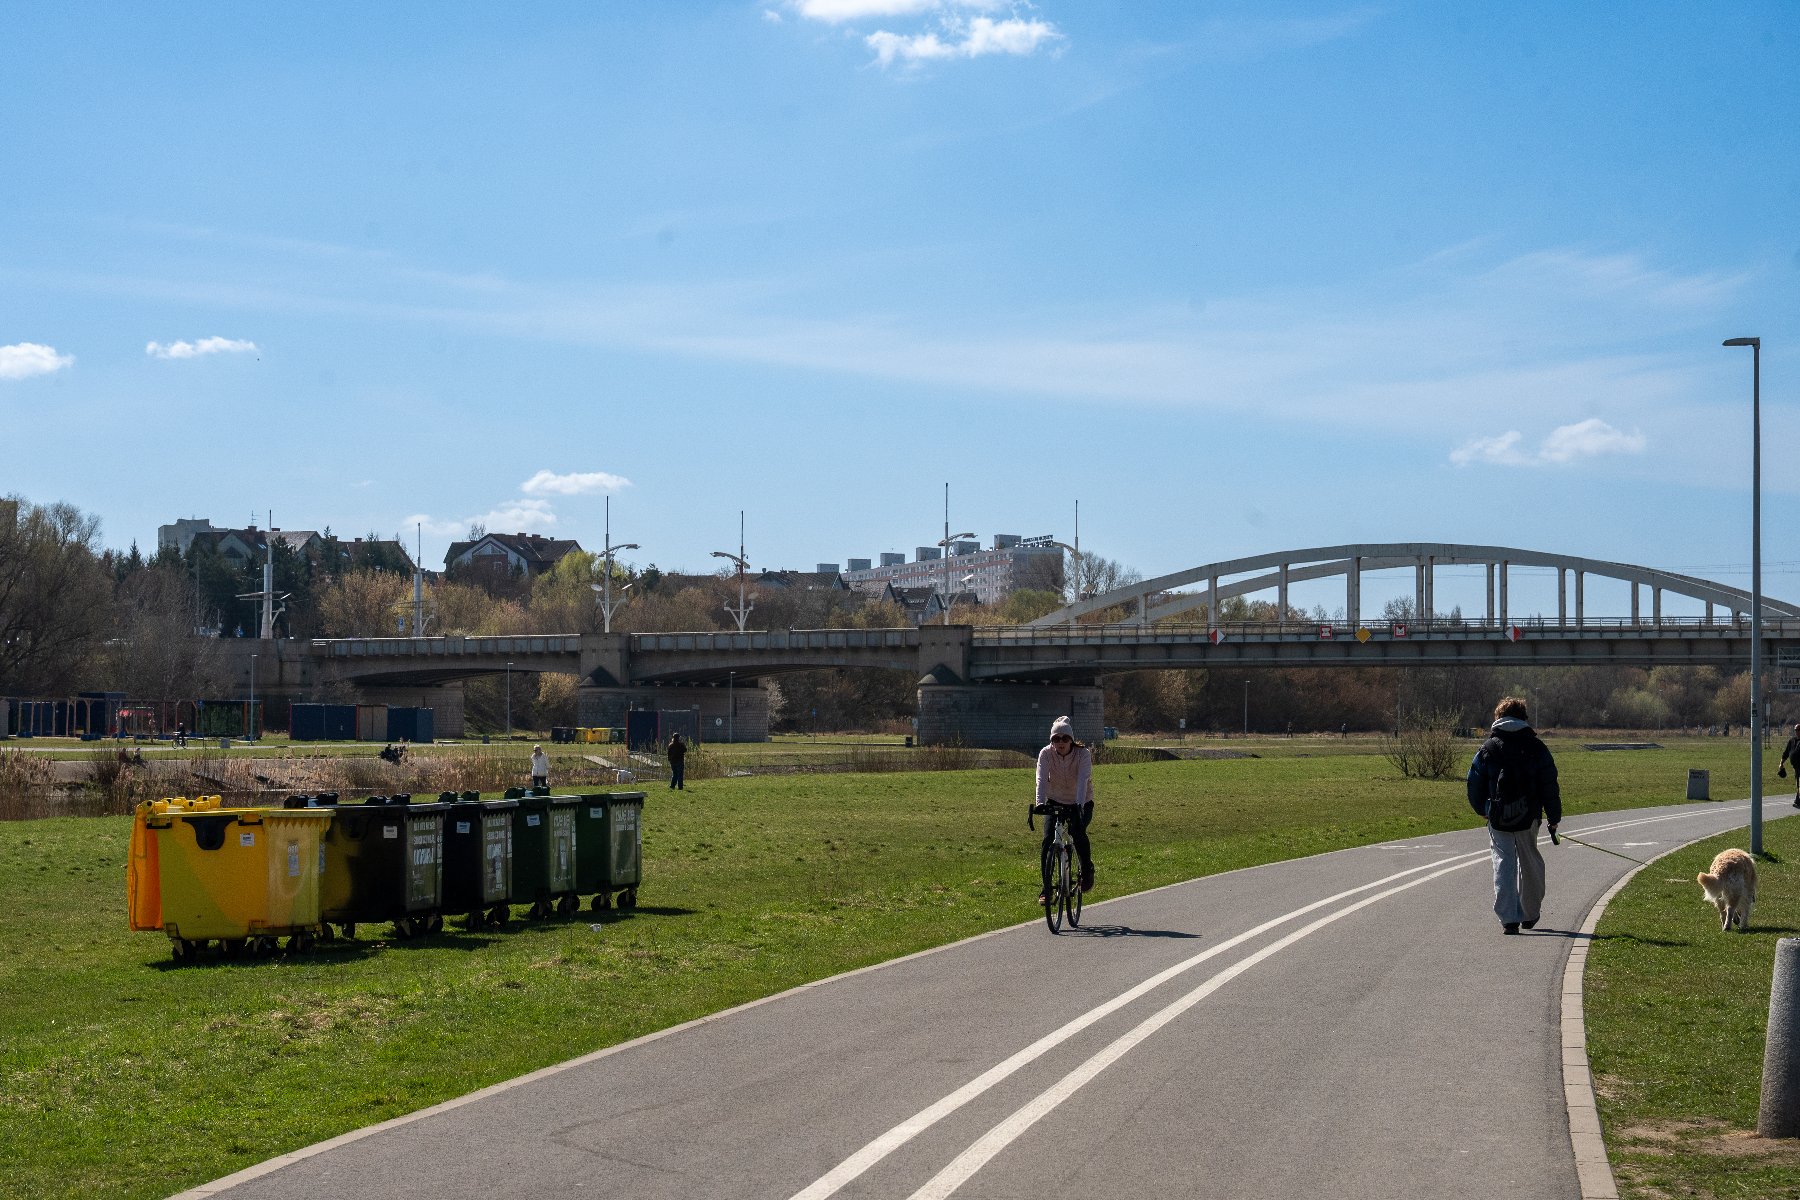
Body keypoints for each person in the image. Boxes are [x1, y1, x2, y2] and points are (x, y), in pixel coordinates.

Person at [1466, 696, 1561, 935]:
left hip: (1497, 816)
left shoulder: (1488, 748)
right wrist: (1553, 816)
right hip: (1529, 815)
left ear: (1499, 718)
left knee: (1503, 863)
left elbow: (1474, 782)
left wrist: (1483, 809)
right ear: (1523, 718)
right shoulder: (1537, 747)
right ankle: (1530, 913)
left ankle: (1509, 918)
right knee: (1530, 862)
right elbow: (1549, 783)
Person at [1032, 715, 1095, 904]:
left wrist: (1079, 805)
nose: (1060, 742)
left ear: (1071, 740)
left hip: (1082, 801)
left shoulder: (1083, 754)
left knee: (1077, 831)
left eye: (1065, 738)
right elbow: (1041, 779)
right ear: (1051, 741)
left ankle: (1087, 871)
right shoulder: (1045, 754)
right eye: (1056, 739)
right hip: (1055, 800)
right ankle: (1046, 888)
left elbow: (1083, 780)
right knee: (1047, 840)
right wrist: (1040, 803)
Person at [1777, 723, 1800, 808]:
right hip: (1796, 767)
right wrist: (1781, 763)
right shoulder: (1792, 741)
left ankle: (1798, 801)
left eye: (1798, 730)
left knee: (1799, 783)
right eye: (1796, 730)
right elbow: (1786, 753)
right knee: (1798, 783)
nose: (1797, 732)